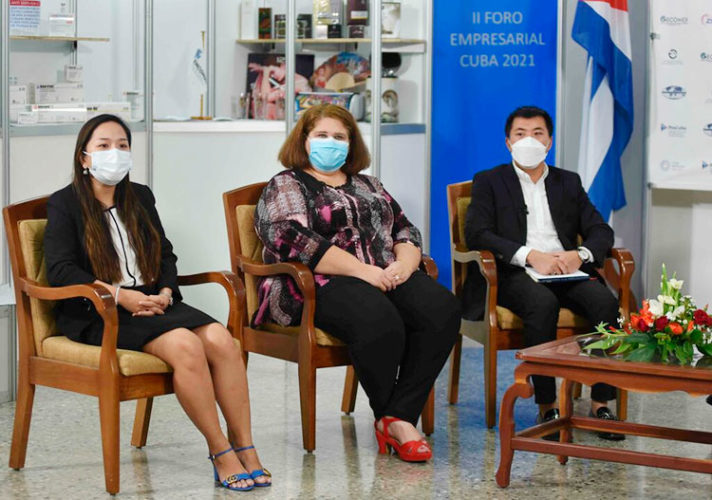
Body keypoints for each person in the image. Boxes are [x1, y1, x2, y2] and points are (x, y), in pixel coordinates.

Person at [44, 114, 271, 491]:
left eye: (122, 145)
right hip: (101, 311)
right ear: (84, 157)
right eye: (103, 145)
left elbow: (164, 253)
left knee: (222, 340)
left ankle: (245, 446)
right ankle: (220, 450)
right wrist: (121, 296)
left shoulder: (140, 196)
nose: (115, 152)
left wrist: (165, 292)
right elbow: (61, 270)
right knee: (186, 345)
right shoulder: (64, 204)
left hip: (154, 301)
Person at [253, 104, 460, 462]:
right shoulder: (287, 183)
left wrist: (405, 264)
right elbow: (290, 237)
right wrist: (362, 270)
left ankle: (397, 416)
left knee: (442, 308)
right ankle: (396, 422)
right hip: (317, 283)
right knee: (379, 318)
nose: (330, 143)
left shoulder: (369, 184)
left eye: (339, 137)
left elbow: (404, 228)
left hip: (384, 273)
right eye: (322, 135)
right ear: (304, 140)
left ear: (351, 144)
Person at [462, 105, 624, 441]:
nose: (529, 141)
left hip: (565, 269)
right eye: (520, 134)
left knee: (606, 304)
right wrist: (530, 256)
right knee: (542, 304)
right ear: (508, 142)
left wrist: (579, 255)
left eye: (537, 134)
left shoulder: (568, 181)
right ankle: (547, 405)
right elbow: (478, 234)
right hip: (514, 272)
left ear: (549, 141)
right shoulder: (489, 181)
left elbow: (600, 230)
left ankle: (601, 403)